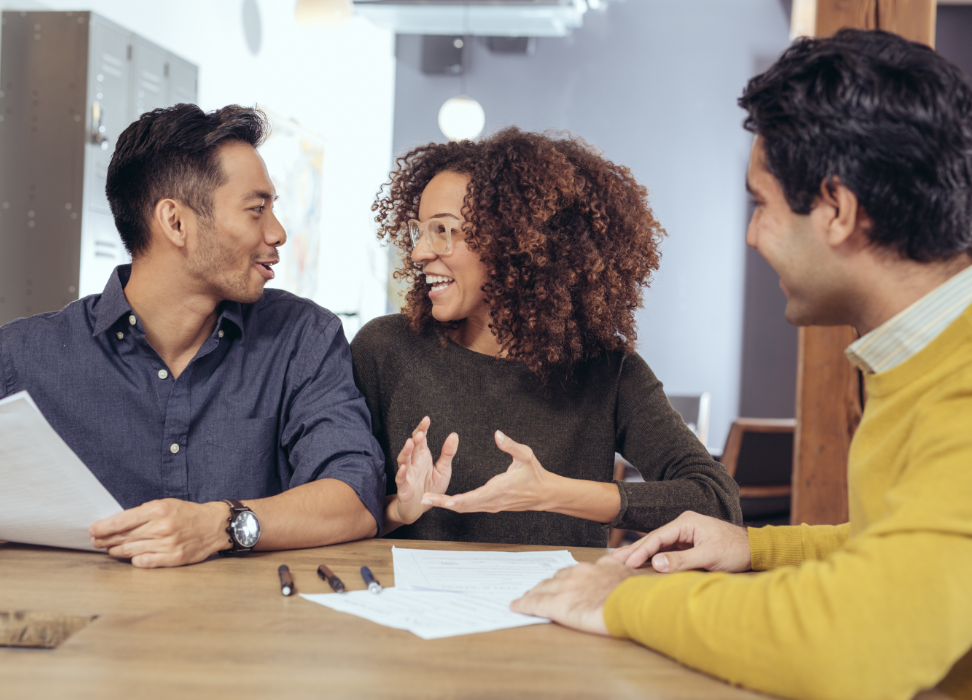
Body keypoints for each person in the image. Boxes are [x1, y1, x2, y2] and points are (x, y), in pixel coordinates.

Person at [512, 29, 972, 700]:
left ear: (837, 210)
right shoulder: (928, 355)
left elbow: (854, 641)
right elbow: (908, 553)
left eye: (761, 205)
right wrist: (757, 548)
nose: (753, 235)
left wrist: (616, 600)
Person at [0, 104, 386, 568]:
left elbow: (354, 496)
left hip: (252, 630)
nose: (278, 232)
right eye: (256, 210)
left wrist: (221, 525)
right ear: (176, 222)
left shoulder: (302, 338)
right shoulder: (23, 357)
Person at [351, 127, 742, 547]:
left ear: (515, 243)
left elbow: (718, 503)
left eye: (443, 230)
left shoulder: (608, 372)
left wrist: (555, 493)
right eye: (419, 230)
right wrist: (396, 508)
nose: (419, 252)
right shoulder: (385, 350)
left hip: (554, 609)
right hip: (409, 608)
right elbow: (337, 504)